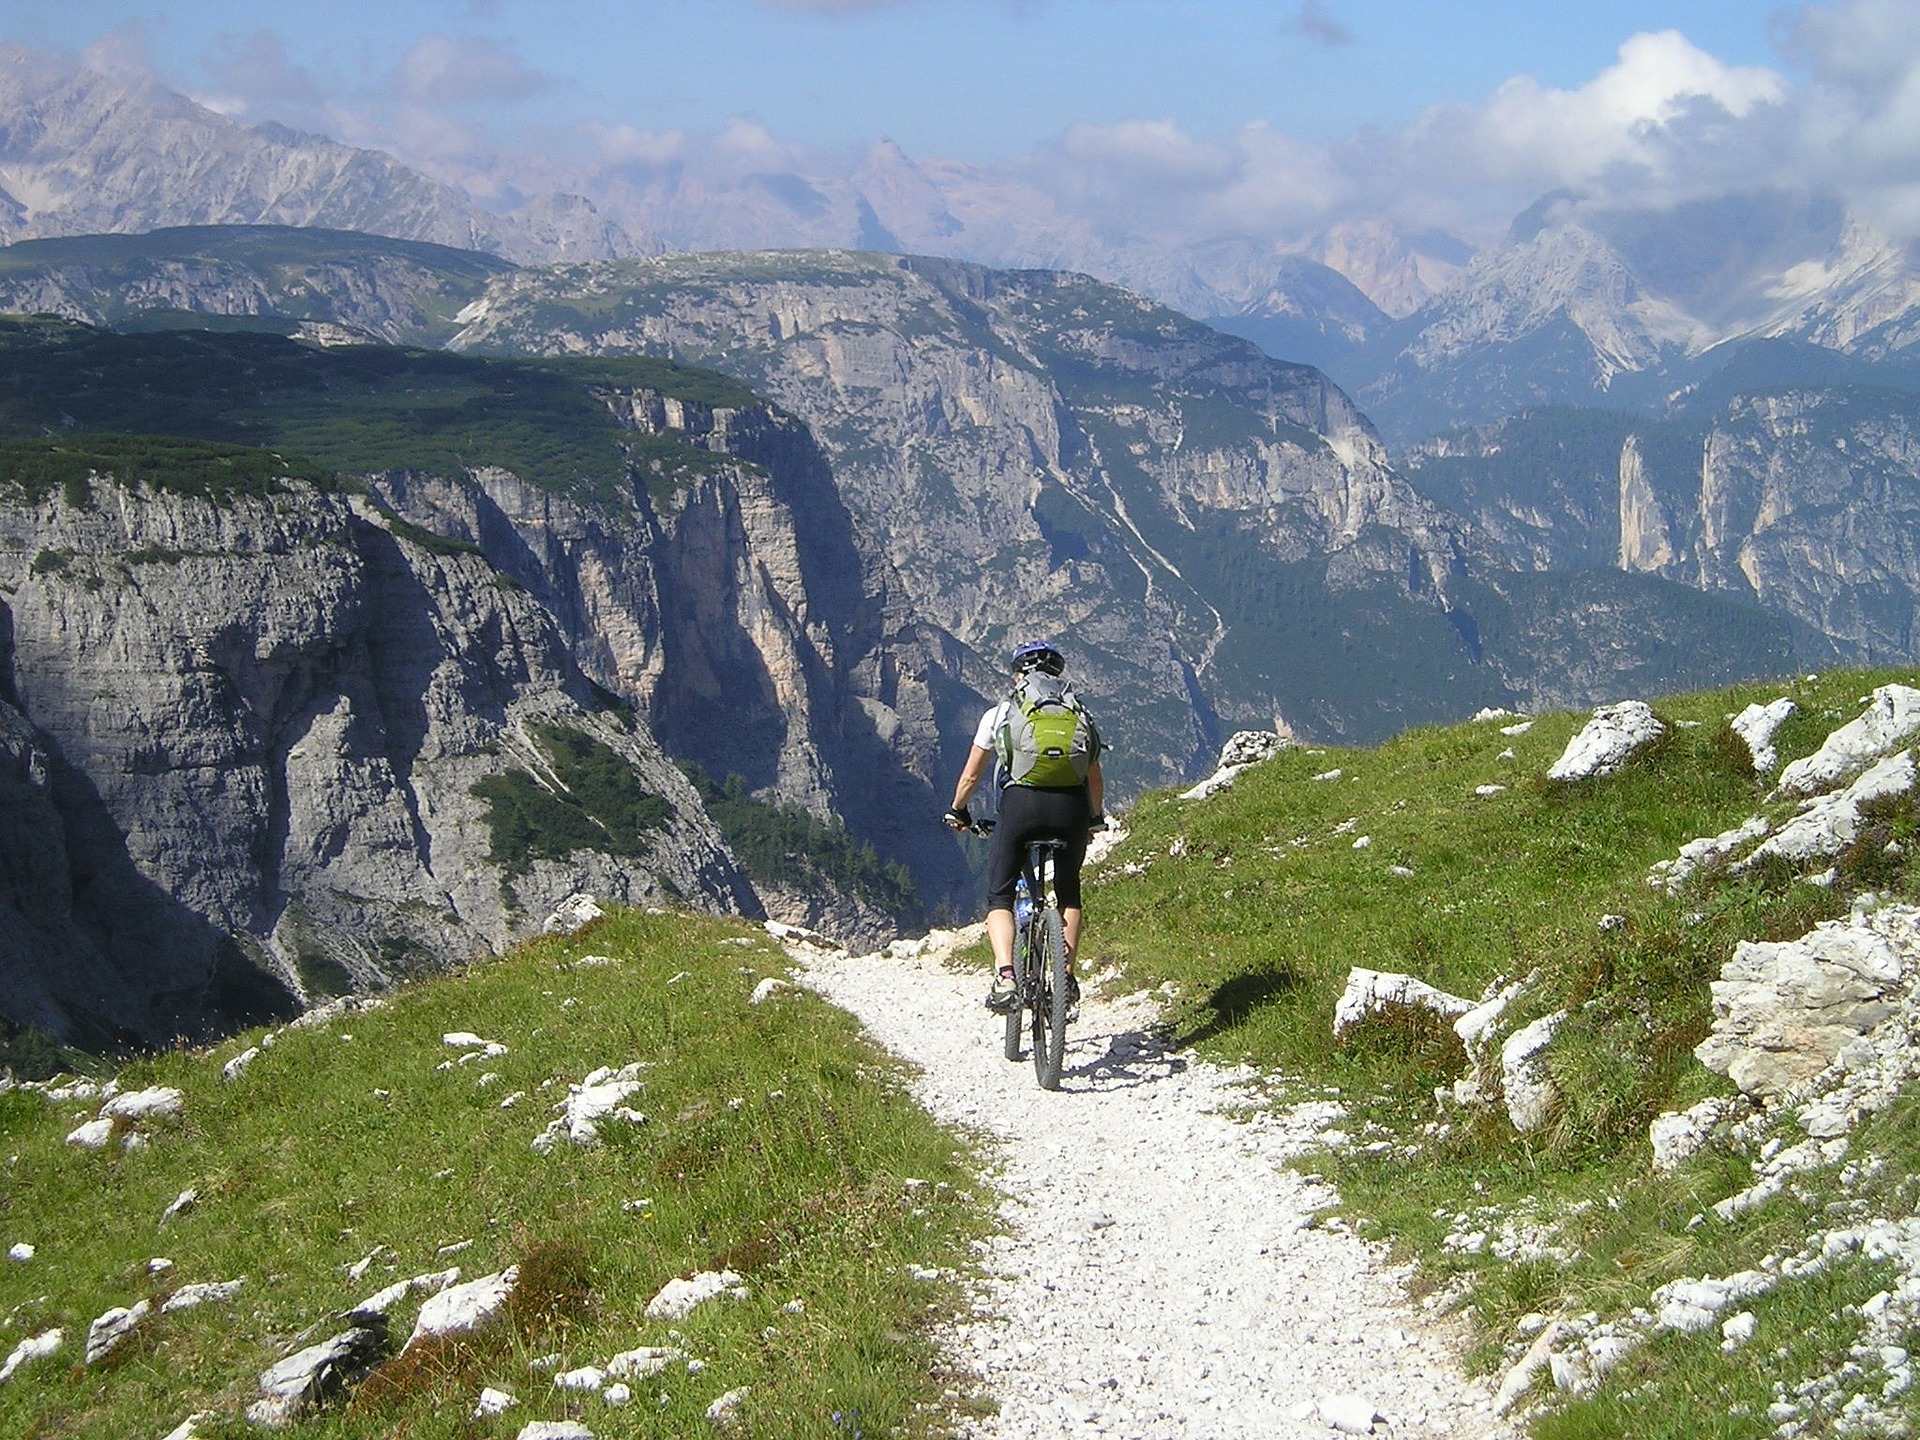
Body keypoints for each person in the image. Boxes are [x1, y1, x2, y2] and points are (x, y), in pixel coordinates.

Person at [944, 640, 1105, 1012]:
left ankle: (1006, 978)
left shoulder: (999, 714)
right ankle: (1064, 979)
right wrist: (1094, 816)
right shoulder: (1080, 715)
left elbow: (971, 776)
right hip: (1071, 809)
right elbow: (1094, 777)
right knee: (1068, 892)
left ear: (1018, 675)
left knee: (1000, 896)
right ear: (1057, 677)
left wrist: (958, 810)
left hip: (1021, 807)